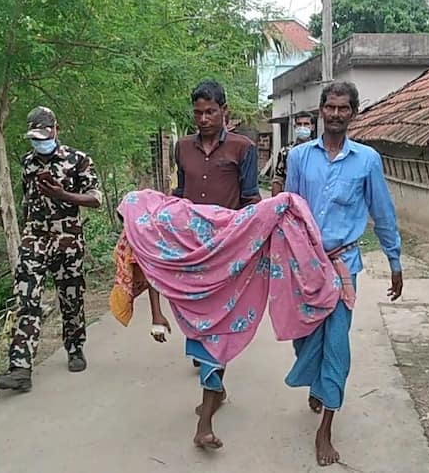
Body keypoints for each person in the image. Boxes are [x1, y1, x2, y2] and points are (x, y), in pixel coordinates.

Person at [284, 82, 403, 466]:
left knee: (336, 344)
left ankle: (326, 428)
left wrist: (395, 261)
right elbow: (290, 210)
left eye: (344, 108)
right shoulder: (300, 157)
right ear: (320, 111)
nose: (336, 114)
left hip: (342, 267)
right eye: (330, 107)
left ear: (353, 113)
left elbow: (382, 213)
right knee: (304, 340)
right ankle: (317, 383)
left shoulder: (367, 160)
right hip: (305, 265)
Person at [167, 79, 261, 448]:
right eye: (198, 113)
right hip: (190, 250)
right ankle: (215, 388)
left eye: (210, 112)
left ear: (225, 112)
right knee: (197, 322)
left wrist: (252, 242)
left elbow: (251, 199)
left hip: (227, 251)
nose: (204, 119)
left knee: (217, 327)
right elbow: (178, 195)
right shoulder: (182, 148)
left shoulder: (243, 148)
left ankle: (204, 421)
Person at [0, 106, 103, 392]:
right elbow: (26, 197)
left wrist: (63, 194)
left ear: (56, 129)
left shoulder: (78, 160)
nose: (40, 141)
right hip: (35, 238)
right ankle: (20, 368)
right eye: (35, 137)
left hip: (68, 237)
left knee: (71, 297)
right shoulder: (28, 162)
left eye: (44, 135)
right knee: (26, 299)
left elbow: (95, 199)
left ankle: (75, 347)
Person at [271, 110, 315, 196]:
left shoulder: (318, 150)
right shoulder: (286, 151)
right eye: (299, 124)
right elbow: (278, 179)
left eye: (306, 124)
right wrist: (275, 203)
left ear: (312, 127)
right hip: (291, 199)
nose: (302, 127)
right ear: (295, 127)